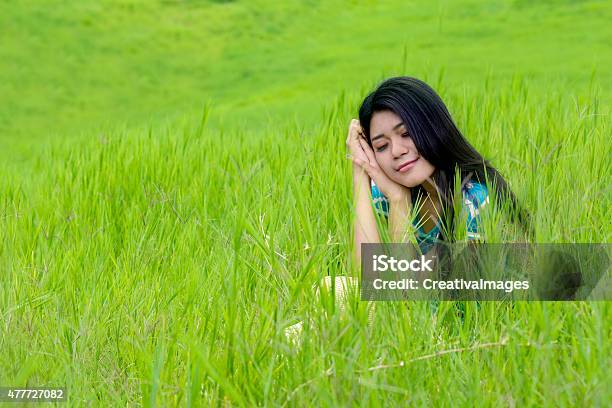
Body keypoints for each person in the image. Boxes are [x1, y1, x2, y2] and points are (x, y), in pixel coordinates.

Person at [347, 76, 533, 267]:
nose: (396, 151)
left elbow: (406, 293)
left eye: (406, 134)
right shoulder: (387, 193)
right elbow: (362, 278)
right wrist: (360, 171)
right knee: (334, 285)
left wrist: (399, 203)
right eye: (381, 146)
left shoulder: (474, 201)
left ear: (433, 126)